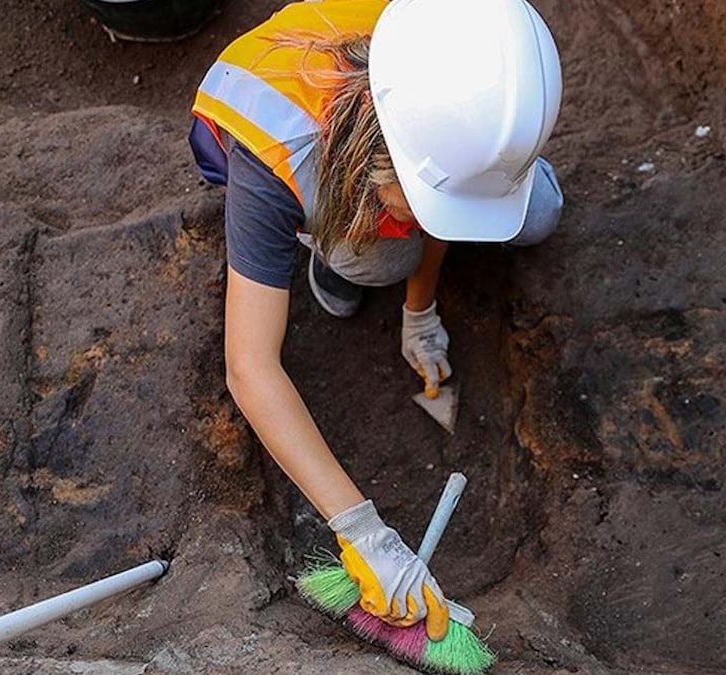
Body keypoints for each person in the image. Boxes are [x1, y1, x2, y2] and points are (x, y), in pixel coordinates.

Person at [188, 0, 562, 641]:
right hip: (303, 155)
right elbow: (249, 367)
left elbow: (439, 202)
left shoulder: (476, 53)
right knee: (375, 259)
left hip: (417, 155)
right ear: (375, 151)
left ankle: (404, 232)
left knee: (541, 212)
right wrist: (361, 530)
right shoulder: (273, 150)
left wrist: (421, 311)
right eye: (420, 199)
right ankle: (328, 252)